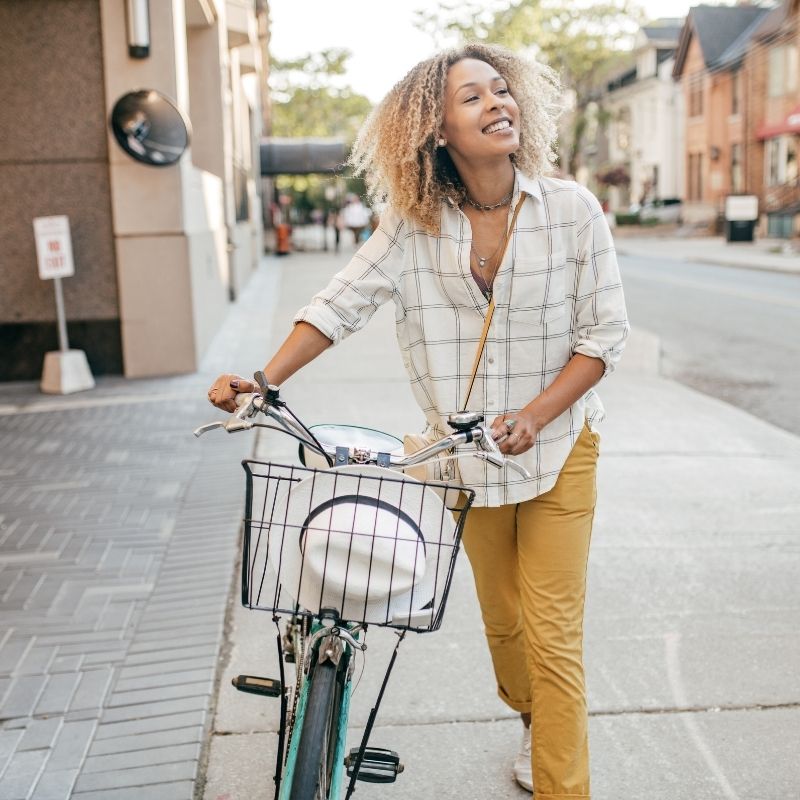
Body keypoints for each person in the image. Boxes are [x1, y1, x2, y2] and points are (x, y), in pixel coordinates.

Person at [208, 42, 628, 799]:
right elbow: (341, 302)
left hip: (560, 451)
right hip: (462, 464)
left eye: (502, 90)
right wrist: (263, 382)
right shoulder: (413, 224)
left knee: (554, 637)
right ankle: (532, 718)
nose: (497, 103)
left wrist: (535, 415)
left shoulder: (571, 211)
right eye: (473, 98)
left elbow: (603, 339)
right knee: (506, 628)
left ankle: (565, 782)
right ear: (435, 129)